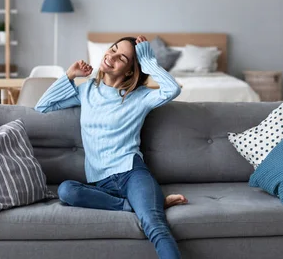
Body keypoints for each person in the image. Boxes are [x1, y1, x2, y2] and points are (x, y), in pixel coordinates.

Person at [35, 35, 187, 259]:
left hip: (131, 174)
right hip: (100, 183)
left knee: (154, 226)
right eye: (113, 49)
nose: (111, 56)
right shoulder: (86, 91)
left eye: (122, 57)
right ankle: (139, 205)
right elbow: (42, 106)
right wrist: (69, 74)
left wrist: (148, 62)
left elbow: (172, 89)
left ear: (129, 70)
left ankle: (146, 207)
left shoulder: (141, 97)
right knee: (66, 190)